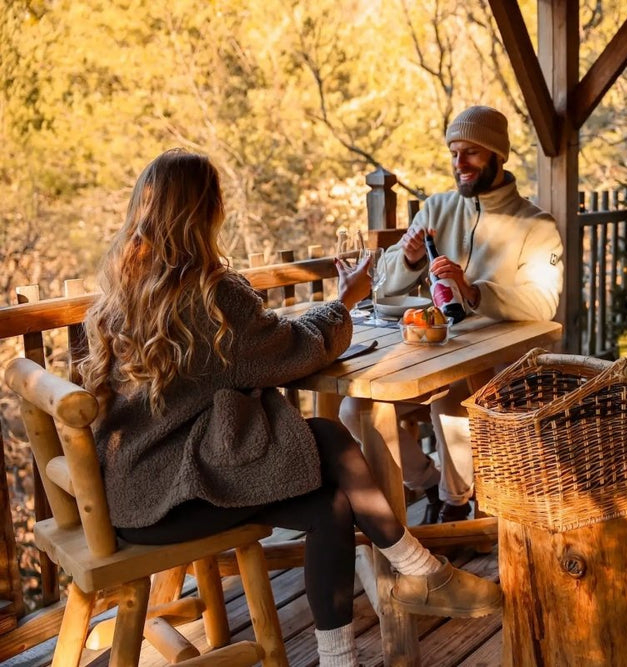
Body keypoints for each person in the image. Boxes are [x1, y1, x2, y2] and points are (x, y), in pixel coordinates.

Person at [78, 149, 501, 667]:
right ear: (207, 211)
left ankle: (346, 651)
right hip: (170, 495)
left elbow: (243, 349)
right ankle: (422, 570)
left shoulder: (128, 286)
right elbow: (295, 348)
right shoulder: (211, 296)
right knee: (325, 436)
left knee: (331, 506)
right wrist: (345, 300)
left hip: (128, 492)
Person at [340, 106, 564, 523]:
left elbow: (542, 303)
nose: (459, 164)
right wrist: (406, 260)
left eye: (472, 153)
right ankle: (427, 482)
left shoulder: (536, 225)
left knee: (454, 398)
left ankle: (455, 505)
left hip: (495, 363)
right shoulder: (436, 209)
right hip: (430, 349)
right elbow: (384, 286)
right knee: (353, 410)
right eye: (454, 152)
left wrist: (474, 291)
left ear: (499, 155)